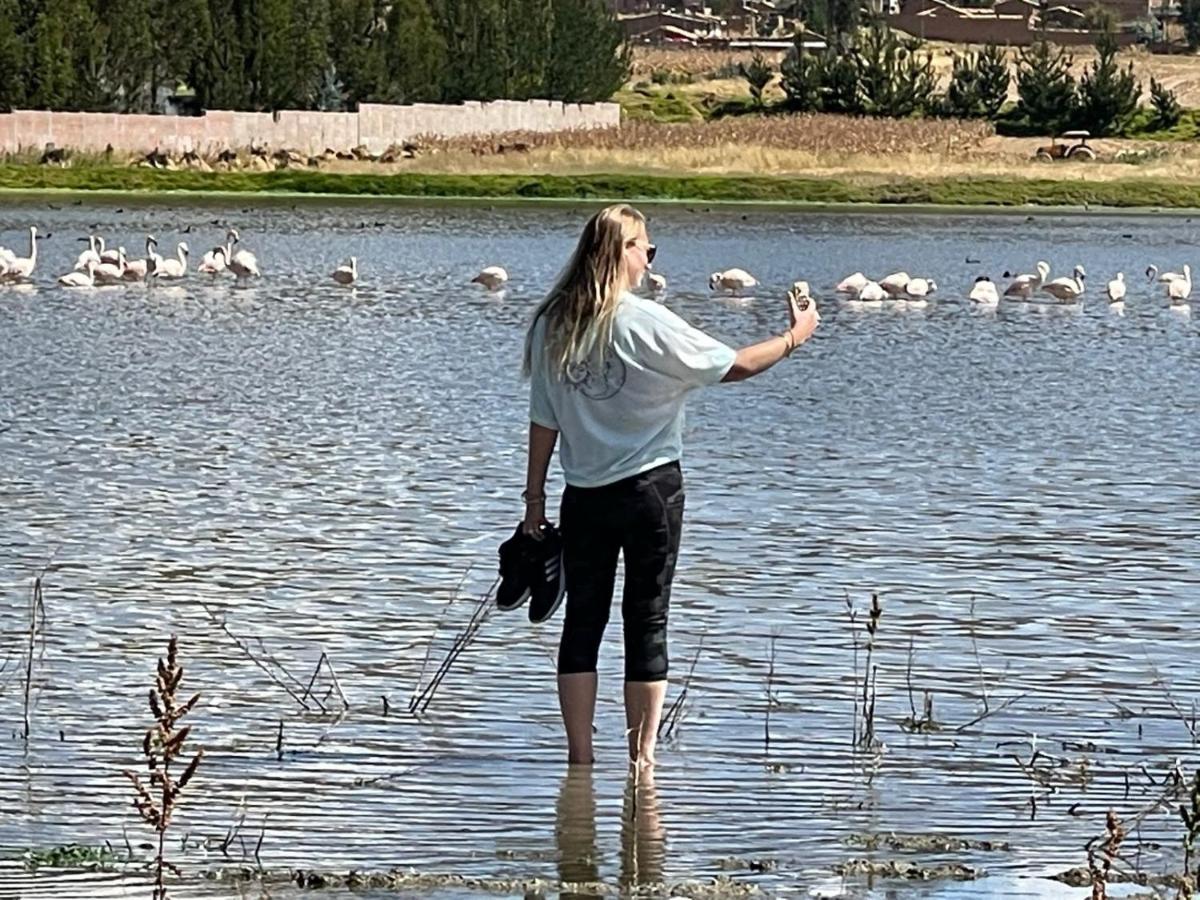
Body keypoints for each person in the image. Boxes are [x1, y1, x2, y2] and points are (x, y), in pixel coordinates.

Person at [520, 203, 819, 768]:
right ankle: (642, 761)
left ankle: (579, 759)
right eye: (646, 249)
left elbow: (544, 419)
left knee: (583, 621)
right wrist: (794, 336)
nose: (649, 260)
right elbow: (733, 365)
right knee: (647, 618)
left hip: (582, 495)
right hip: (651, 493)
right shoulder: (643, 320)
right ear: (621, 254)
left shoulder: (550, 323)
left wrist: (533, 501)